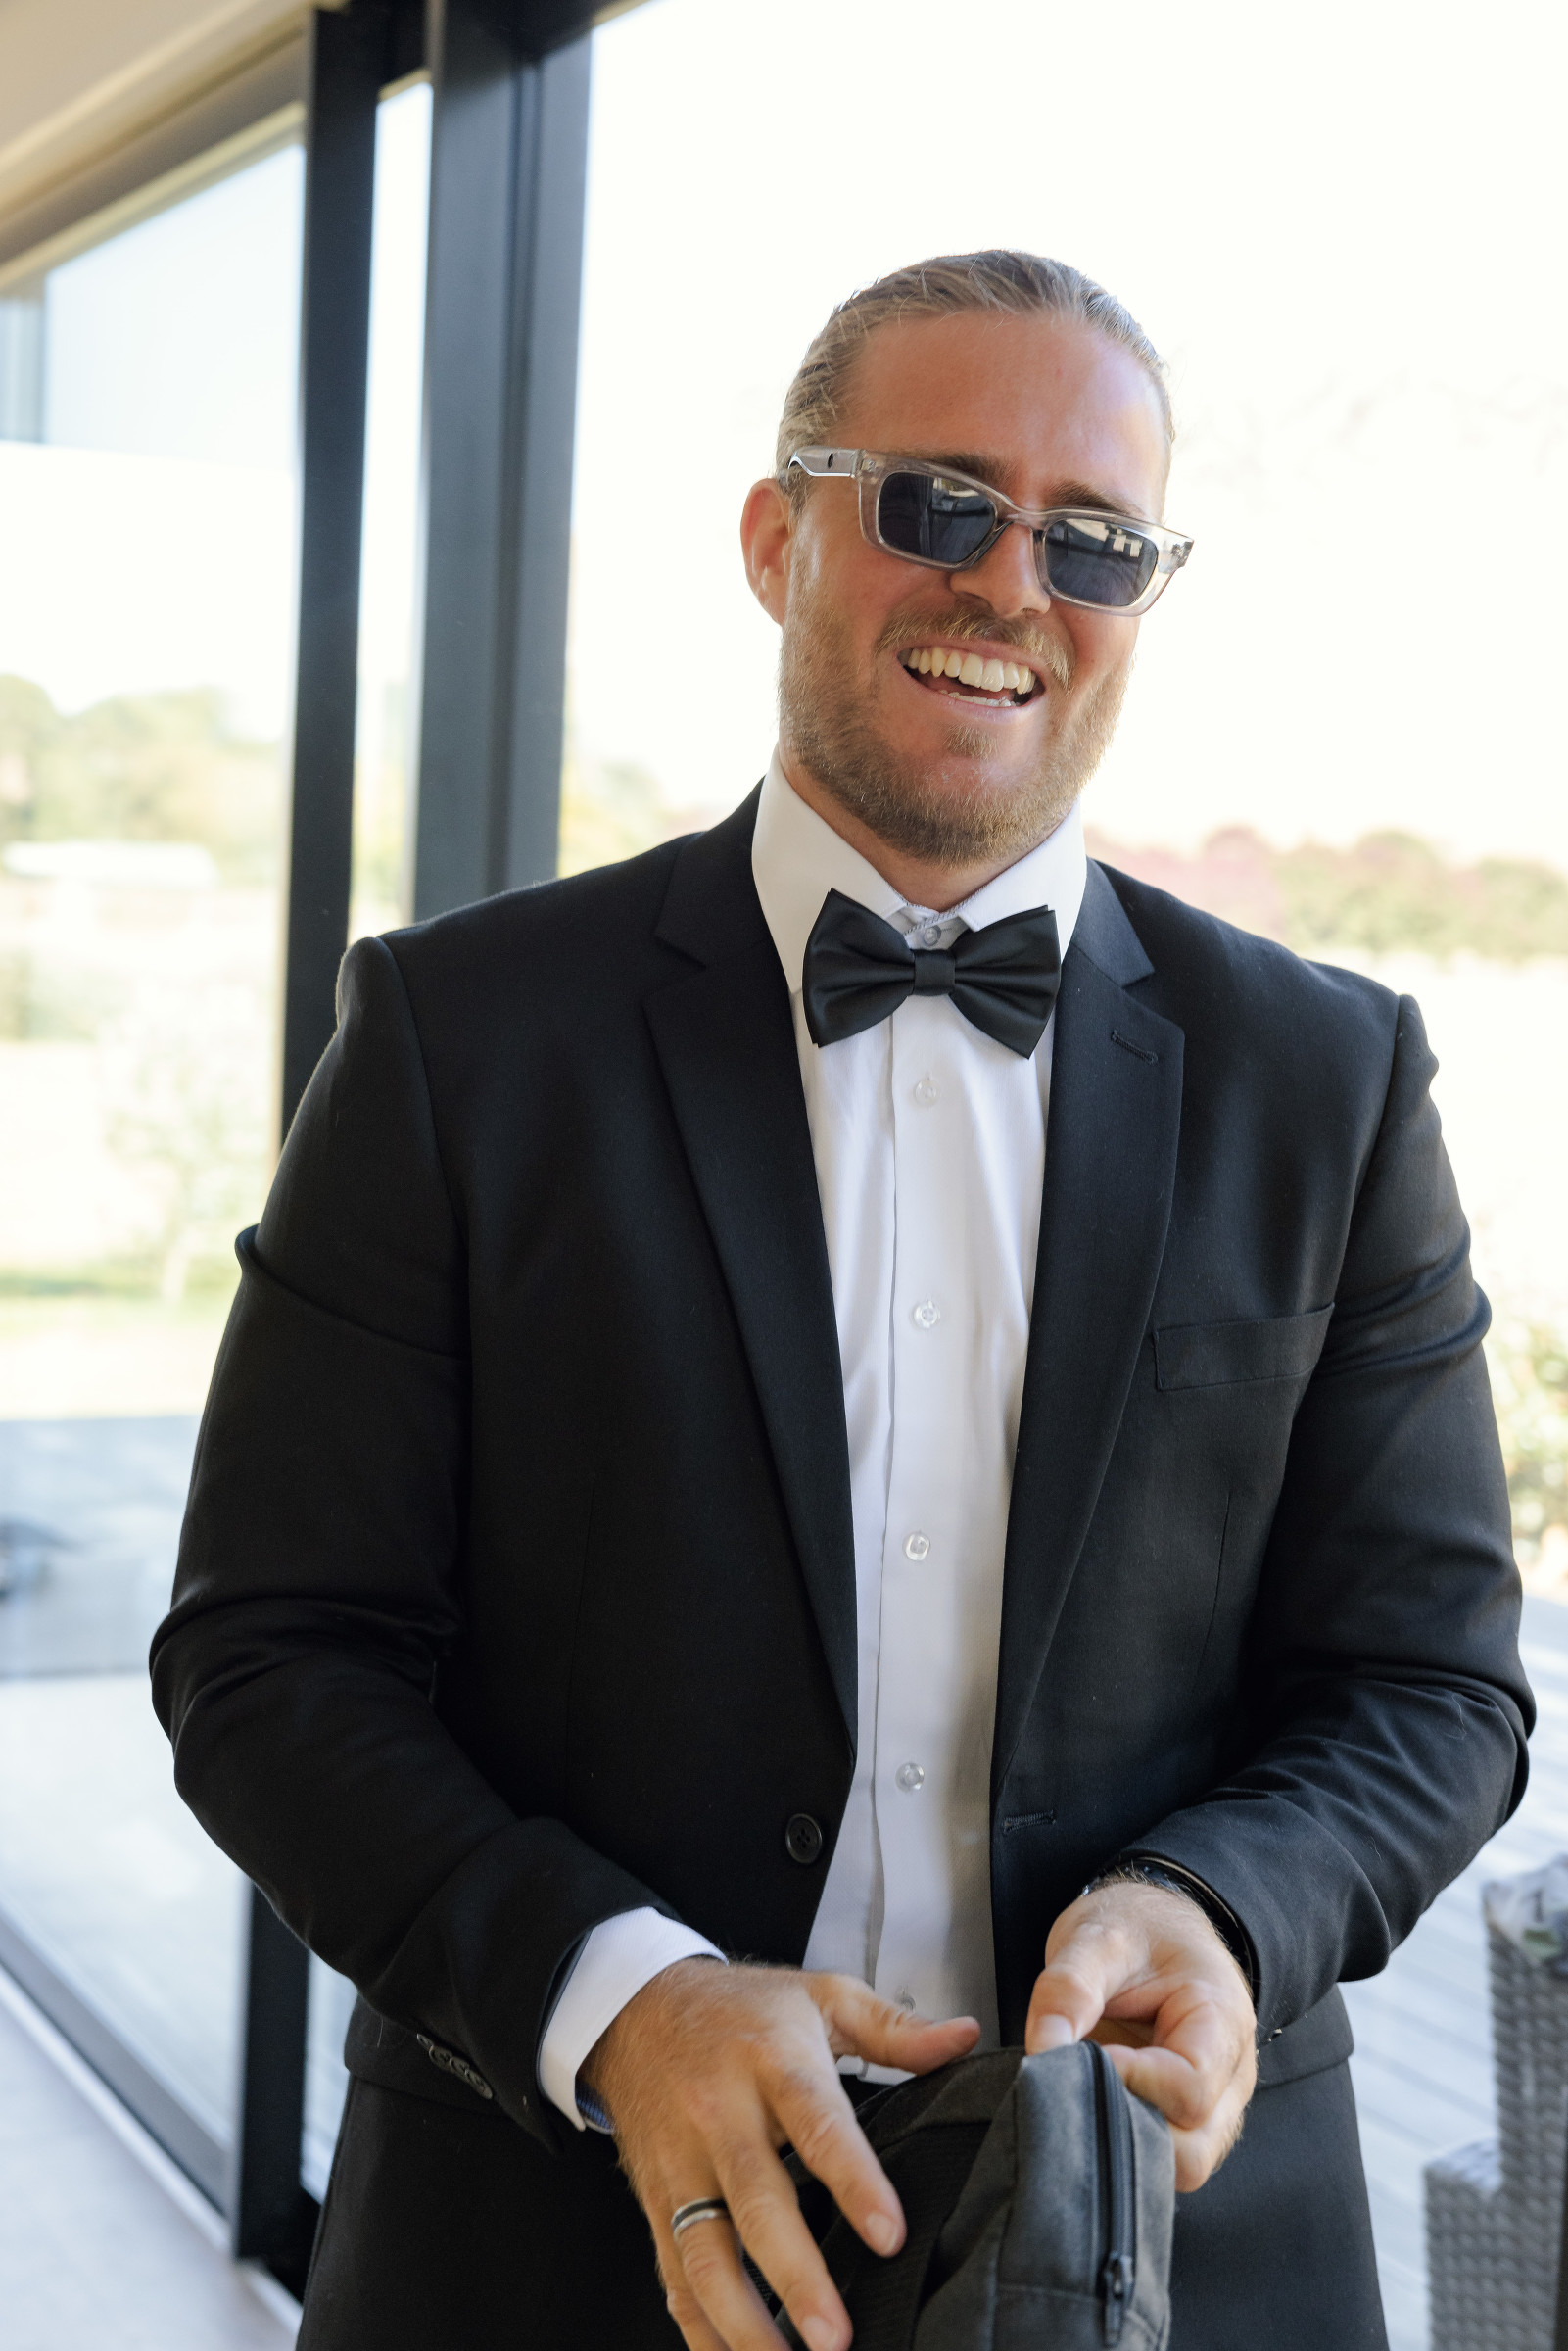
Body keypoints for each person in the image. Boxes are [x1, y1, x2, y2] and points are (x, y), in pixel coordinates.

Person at [152, 251, 1532, 2351]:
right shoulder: (455, 1037)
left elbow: (1431, 1682)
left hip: (1185, 2239)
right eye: (936, 503)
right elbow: (271, 1655)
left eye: (1093, 539)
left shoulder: (1329, 1080)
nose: (1010, 583)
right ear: (774, 536)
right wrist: (621, 1999)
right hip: (548, 2239)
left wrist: (1221, 1908)